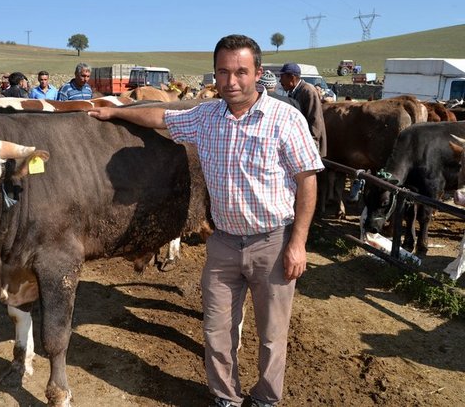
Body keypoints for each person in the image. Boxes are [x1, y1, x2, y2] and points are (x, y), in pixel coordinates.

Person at [89, 34, 323, 407]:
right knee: (216, 329)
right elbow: (159, 117)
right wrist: (115, 111)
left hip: (273, 243)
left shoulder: (286, 119)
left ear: (258, 73)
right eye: (223, 72)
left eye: (241, 72)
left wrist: (298, 243)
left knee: (272, 334)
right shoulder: (206, 116)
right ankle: (225, 398)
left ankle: (265, 398)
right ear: (215, 74)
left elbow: (307, 182)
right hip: (224, 242)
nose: (232, 81)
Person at [278, 63, 327, 157]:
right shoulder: (293, 91)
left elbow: (315, 118)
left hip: (309, 144)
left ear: (292, 77)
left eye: (282, 77)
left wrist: (312, 143)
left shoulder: (308, 91)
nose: (280, 81)